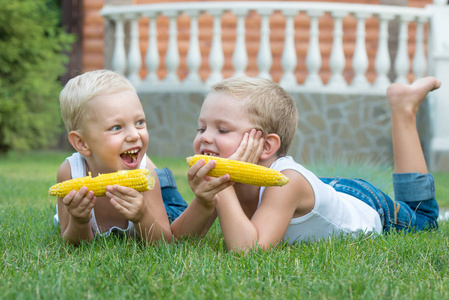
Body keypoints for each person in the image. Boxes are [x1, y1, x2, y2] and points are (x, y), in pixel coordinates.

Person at [172, 76, 441, 252]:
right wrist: (205, 200)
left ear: (266, 146)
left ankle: (403, 109)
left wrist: (224, 189)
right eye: (201, 128)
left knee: (424, 218)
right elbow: (178, 242)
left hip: (366, 205)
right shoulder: (225, 183)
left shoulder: (285, 183)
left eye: (222, 130)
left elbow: (249, 251)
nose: (205, 137)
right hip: (322, 191)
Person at [53, 69, 187, 245]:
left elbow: (164, 242)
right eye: (116, 127)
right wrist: (79, 220)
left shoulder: (146, 174)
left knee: (173, 211)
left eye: (139, 122)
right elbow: (72, 244)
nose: (134, 135)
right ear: (82, 143)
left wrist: (143, 215)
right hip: (125, 159)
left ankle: (162, 176)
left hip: (160, 189)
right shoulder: (70, 172)